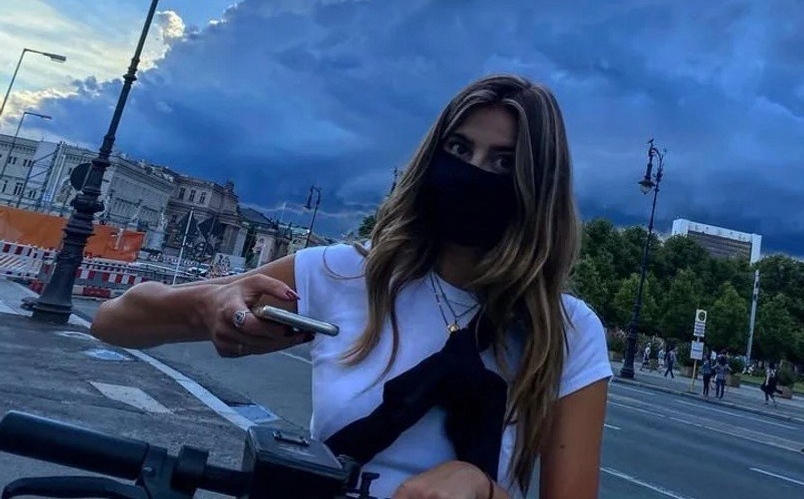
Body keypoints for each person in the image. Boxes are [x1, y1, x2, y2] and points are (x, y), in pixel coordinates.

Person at [91, 73, 612, 499]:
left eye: (504, 162)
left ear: (537, 186)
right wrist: (210, 303)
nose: (474, 172)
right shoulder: (342, 273)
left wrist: (483, 490)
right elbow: (112, 321)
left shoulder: (566, 332)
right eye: (459, 148)